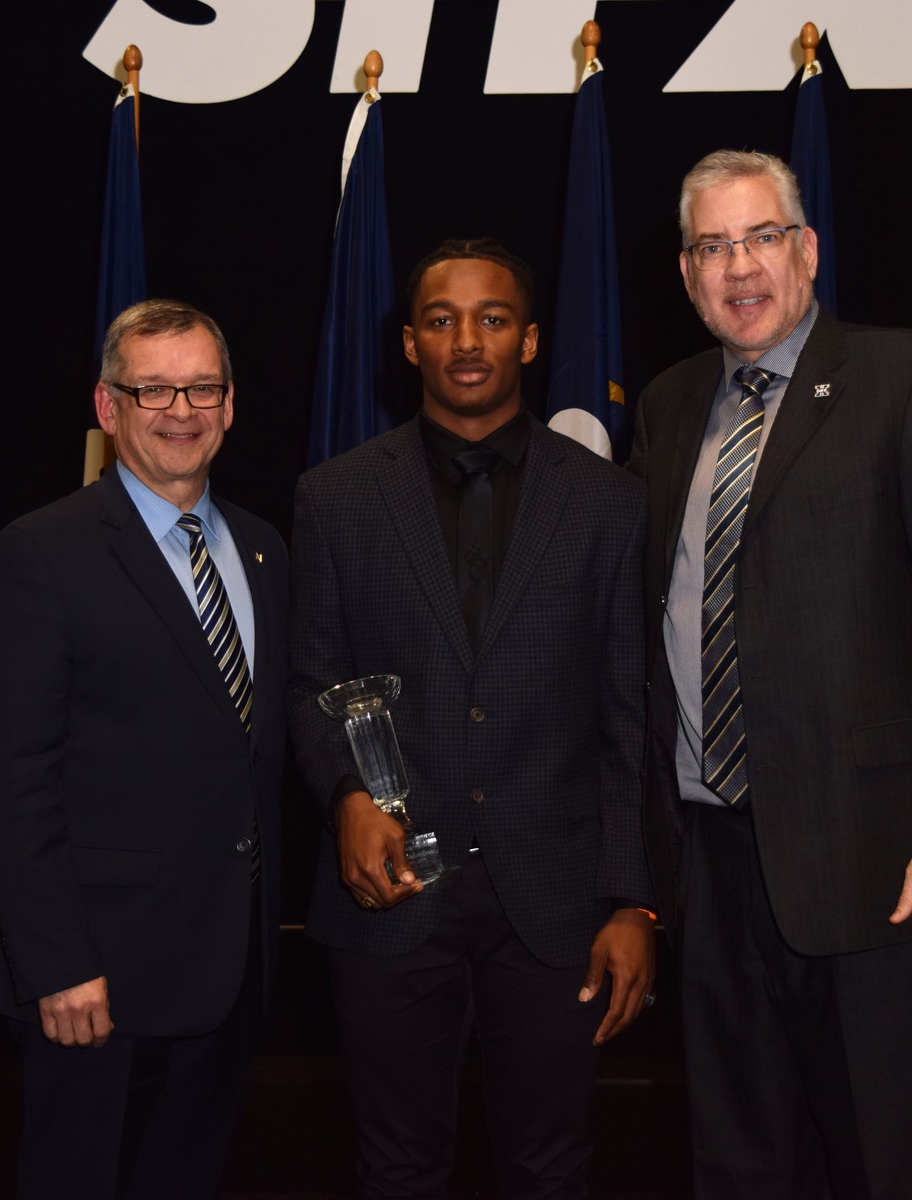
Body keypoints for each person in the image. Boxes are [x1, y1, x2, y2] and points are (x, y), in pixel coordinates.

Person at [628, 151, 912, 1197]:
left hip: (878, 864)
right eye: (713, 246)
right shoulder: (667, 405)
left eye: (761, 238)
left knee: (890, 1162)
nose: (739, 267)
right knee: (738, 1164)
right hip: (709, 862)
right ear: (687, 272)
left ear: (806, 250)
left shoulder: (909, 377)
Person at [288, 239, 656, 1197]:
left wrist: (632, 901)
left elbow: (629, 717)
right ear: (410, 343)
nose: (466, 341)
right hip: (389, 893)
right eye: (441, 320)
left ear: (527, 341)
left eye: (491, 320)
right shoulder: (335, 498)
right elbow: (310, 683)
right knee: (396, 1167)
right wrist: (345, 795)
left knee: (552, 1168)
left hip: (559, 902)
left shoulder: (612, 504)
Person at [0, 300, 287, 1199]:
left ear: (230, 405)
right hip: (94, 982)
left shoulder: (263, 549)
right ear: (109, 407)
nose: (181, 410)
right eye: (154, 390)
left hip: (228, 967)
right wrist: (57, 963)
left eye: (202, 388)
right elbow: (10, 781)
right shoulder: (42, 553)